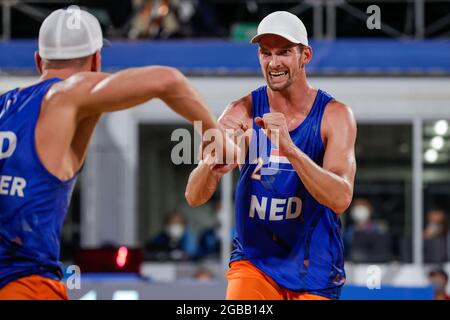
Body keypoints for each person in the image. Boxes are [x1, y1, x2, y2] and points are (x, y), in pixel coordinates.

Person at [0, 6, 225, 300]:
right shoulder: (67, 93)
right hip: (26, 284)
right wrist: (215, 134)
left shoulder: (5, 105)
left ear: (39, 60)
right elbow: (167, 80)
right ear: (96, 59)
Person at [185, 11, 356, 300]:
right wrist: (211, 164)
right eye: (266, 53)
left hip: (314, 268)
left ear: (306, 55)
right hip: (255, 262)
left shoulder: (335, 116)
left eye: (285, 52)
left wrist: (290, 149)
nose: (274, 63)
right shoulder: (241, 110)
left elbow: (340, 198)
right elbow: (194, 196)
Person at [343, 198, 391, 262]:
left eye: (362, 209)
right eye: (357, 209)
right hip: (356, 264)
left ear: (369, 211)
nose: (360, 212)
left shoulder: (378, 228)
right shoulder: (350, 231)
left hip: (377, 262)